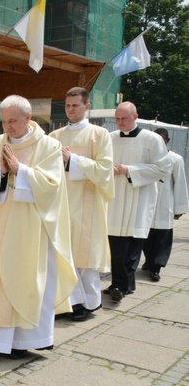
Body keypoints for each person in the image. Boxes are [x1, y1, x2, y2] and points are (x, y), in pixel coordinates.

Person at [0, 95, 77, 360]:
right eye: (4, 121)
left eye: (13, 121)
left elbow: (52, 187)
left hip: (28, 228)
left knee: (23, 280)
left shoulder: (48, 147)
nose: (7, 127)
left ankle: (21, 342)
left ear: (28, 118)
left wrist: (20, 170)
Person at [49, 87, 114, 321]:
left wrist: (72, 160)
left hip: (87, 203)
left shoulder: (99, 134)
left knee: (84, 257)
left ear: (87, 107)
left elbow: (105, 169)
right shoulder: (55, 136)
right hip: (61, 202)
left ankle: (89, 303)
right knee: (62, 255)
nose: (70, 110)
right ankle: (68, 302)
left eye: (75, 105)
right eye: (67, 105)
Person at [106, 102, 171, 301]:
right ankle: (124, 283)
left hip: (139, 198)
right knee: (115, 246)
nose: (120, 123)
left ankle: (120, 285)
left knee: (132, 246)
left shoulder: (152, 139)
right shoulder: (109, 138)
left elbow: (163, 169)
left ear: (136, 117)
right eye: (117, 119)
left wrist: (130, 170)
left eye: (124, 118)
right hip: (116, 198)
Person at [142, 128, 189, 281]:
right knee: (146, 237)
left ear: (167, 141)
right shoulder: (146, 158)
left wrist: (179, 208)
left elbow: (180, 183)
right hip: (148, 202)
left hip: (164, 204)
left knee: (162, 237)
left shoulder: (175, 159)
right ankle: (149, 261)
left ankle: (156, 267)